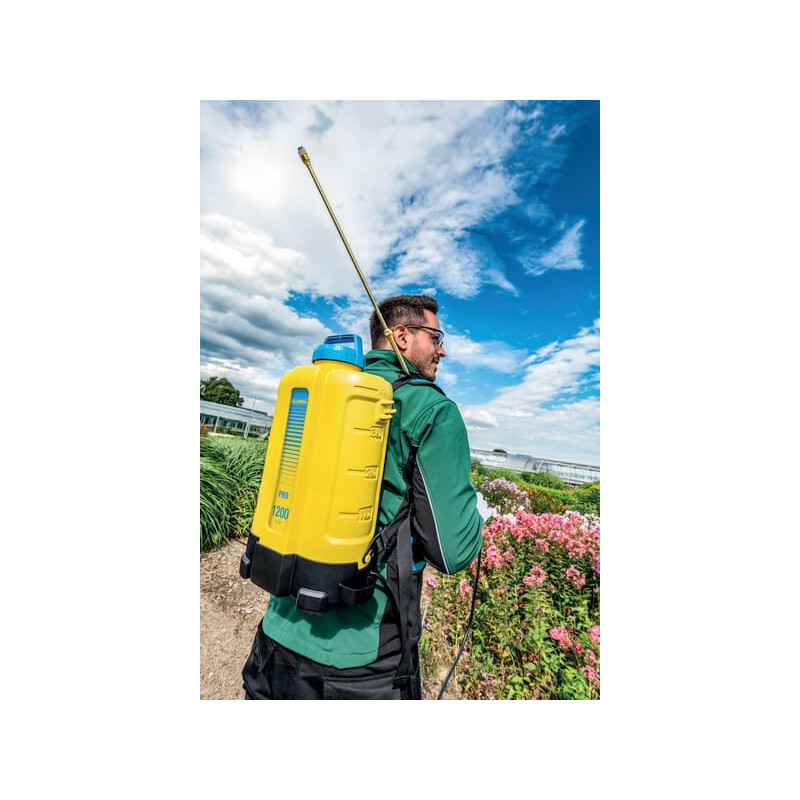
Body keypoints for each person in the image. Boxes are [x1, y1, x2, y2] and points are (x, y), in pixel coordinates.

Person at [242, 294, 484, 699]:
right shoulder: (432, 408)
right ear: (402, 336)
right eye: (436, 337)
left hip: (276, 633)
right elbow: (452, 552)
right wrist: (475, 515)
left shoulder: (321, 391)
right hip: (361, 661)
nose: (442, 350)